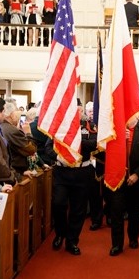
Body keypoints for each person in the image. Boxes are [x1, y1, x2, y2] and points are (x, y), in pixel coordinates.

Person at [45, 99, 97, 255]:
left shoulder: (90, 126)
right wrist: (60, 155)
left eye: (78, 110)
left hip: (82, 172)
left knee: (78, 209)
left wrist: (75, 143)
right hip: (62, 172)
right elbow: (49, 147)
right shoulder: (59, 128)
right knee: (58, 204)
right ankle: (60, 232)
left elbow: (95, 143)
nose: (76, 113)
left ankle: (72, 240)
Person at [105, 114, 139, 256]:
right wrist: (120, 140)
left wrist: (137, 174)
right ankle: (116, 244)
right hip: (118, 180)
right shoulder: (113, 132)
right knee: (116, 212)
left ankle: (133, 238)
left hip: (135, 181)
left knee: (134, 212)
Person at [83, 101, 104, 231]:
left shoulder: (102, 126)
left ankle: (101, 218)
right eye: (90, 111)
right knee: (89, 193)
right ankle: (91, 215)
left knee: (100, 194)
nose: (92, 114)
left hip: (101, 163)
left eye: (94, 111)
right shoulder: (82, 126)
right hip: (85, 164)